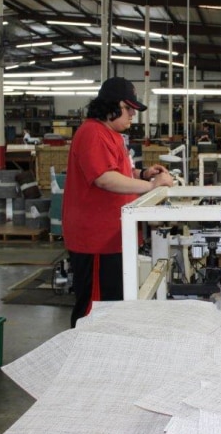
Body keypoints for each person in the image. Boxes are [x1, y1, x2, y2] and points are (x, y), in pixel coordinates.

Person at [63, 77, 174, 327]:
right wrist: (152, 186)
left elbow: (118, 173)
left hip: (112, 237)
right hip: (97, 240)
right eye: (129, 109)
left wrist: (143, 174)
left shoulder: (111, 135)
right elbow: (104, 179)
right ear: (111, 105)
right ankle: (87, 357)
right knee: (94, 309)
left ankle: (103, 354)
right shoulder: (92, 133)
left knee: (111, 305)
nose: (133, 115)